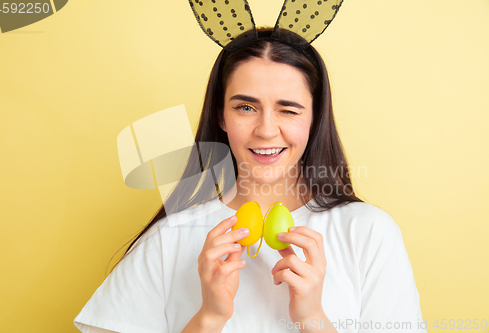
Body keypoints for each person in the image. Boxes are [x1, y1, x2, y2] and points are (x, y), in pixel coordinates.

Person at [74, 3, 427, 331]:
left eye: (289, 109)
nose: (266, 129)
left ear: (314, 118)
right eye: (246, 107)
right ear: (220, 115)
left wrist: (313, 318)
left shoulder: (368, 233)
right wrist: (209, 317)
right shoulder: (170, 238)